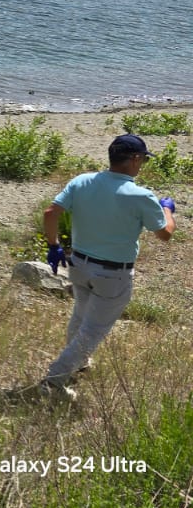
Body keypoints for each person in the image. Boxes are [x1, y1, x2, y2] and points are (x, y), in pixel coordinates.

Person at [21, 134, 176, 402]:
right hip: (113, 274)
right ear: (135, 159)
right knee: (92, 331)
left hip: (79, 264)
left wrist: (53, 245)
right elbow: (164, 234)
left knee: (81, 316)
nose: (142, 166)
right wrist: (167, 209)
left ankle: (78, 363)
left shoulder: (82, 181)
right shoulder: (141, 195)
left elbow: (50, 213)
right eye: (142, 160)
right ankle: (54, 381)